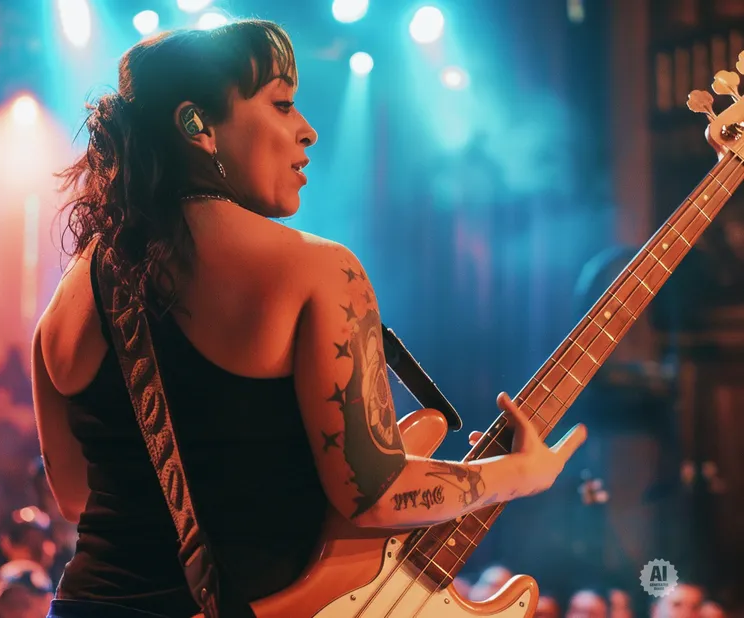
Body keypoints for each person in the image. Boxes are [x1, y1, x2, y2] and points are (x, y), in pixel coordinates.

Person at [31, 18, 587, 618]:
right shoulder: (318, 271)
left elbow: (74, 496)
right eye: (282, 104)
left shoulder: (71, 293)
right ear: (198, 126)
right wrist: (518, 472)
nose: (309, 131)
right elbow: (371, 495)